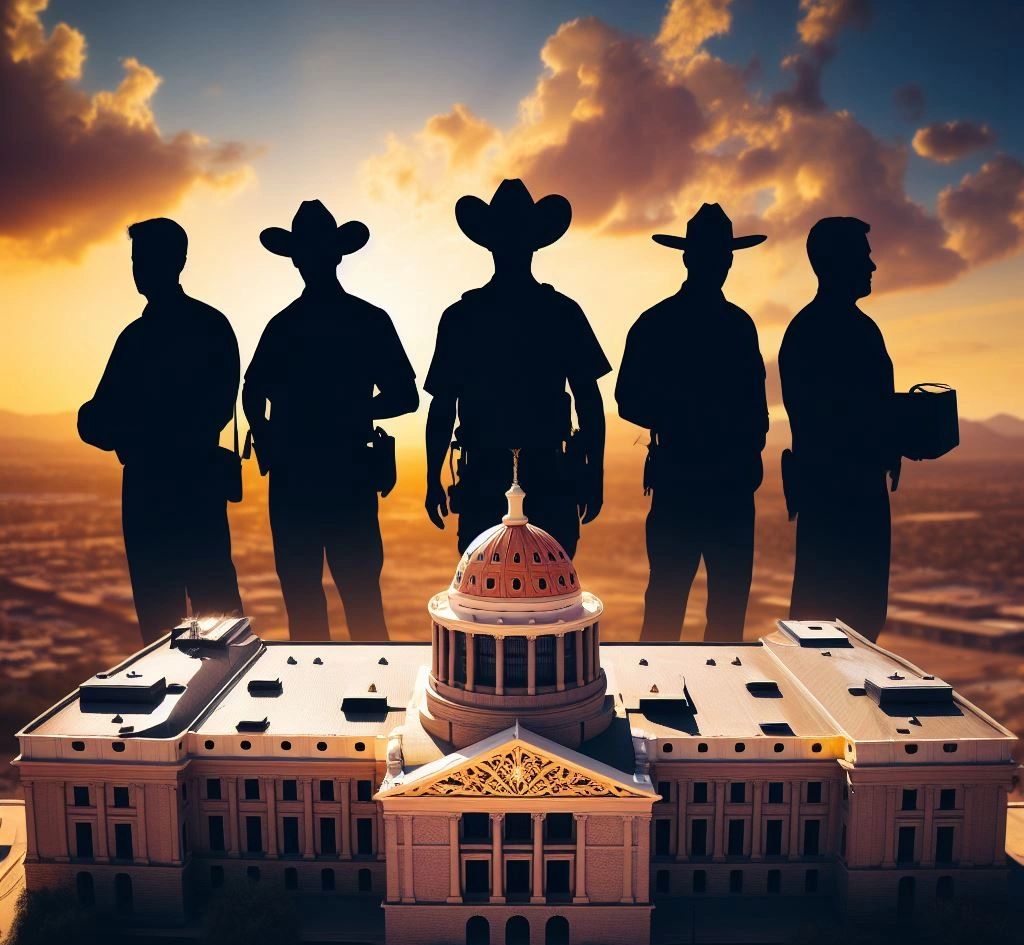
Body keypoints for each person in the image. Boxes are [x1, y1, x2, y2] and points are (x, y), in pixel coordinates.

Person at [244, 200, 417, 641]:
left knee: (320, 601)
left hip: (305, 482)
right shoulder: (366, 320)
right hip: (342, 479)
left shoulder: (283, 326)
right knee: (354, 599)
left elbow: (251, 393)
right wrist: (356, 411)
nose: (309, 260)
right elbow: (404, 396)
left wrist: (268, 433)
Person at [78, 218, 243, 643]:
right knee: (206, 620)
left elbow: (98, 419)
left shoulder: (140, 338)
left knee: (178, 624)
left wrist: (133, 427)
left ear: (176, 261)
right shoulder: (207, 326)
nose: (138, 269)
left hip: (158, 491)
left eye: (144, 259)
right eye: (136, 260)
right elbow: (97, 419)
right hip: (186, 488)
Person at [424, 178, 609, 557]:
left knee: (485, 598)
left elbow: (443, 407)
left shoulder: (462, 317)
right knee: (549, 598)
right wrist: (595, 473)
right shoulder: (561, 312)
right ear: (536, 241)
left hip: (491, 478)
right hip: (545, 476)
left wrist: (432, 478)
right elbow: (589, 400)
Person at [616, 203, 768, 642]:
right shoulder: (736, 325)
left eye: (724, 256)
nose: (721, 263)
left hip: (692, 481)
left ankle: (655, 691)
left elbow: (629, 400)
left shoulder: (659, 322)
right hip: (715, 484)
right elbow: (628, 400)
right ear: (691, 258)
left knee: (675, 601)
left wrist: (678, 419)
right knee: (703, 607)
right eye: (716, 255)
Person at [780, 216, 897, 642]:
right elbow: (834, 417)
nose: (872, 266)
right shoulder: (834, 331)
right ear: (839, 262)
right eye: (864, 256)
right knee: (831, 618)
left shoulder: (829, 329)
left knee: (855, 618)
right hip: (842, 498)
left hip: (846, 494)